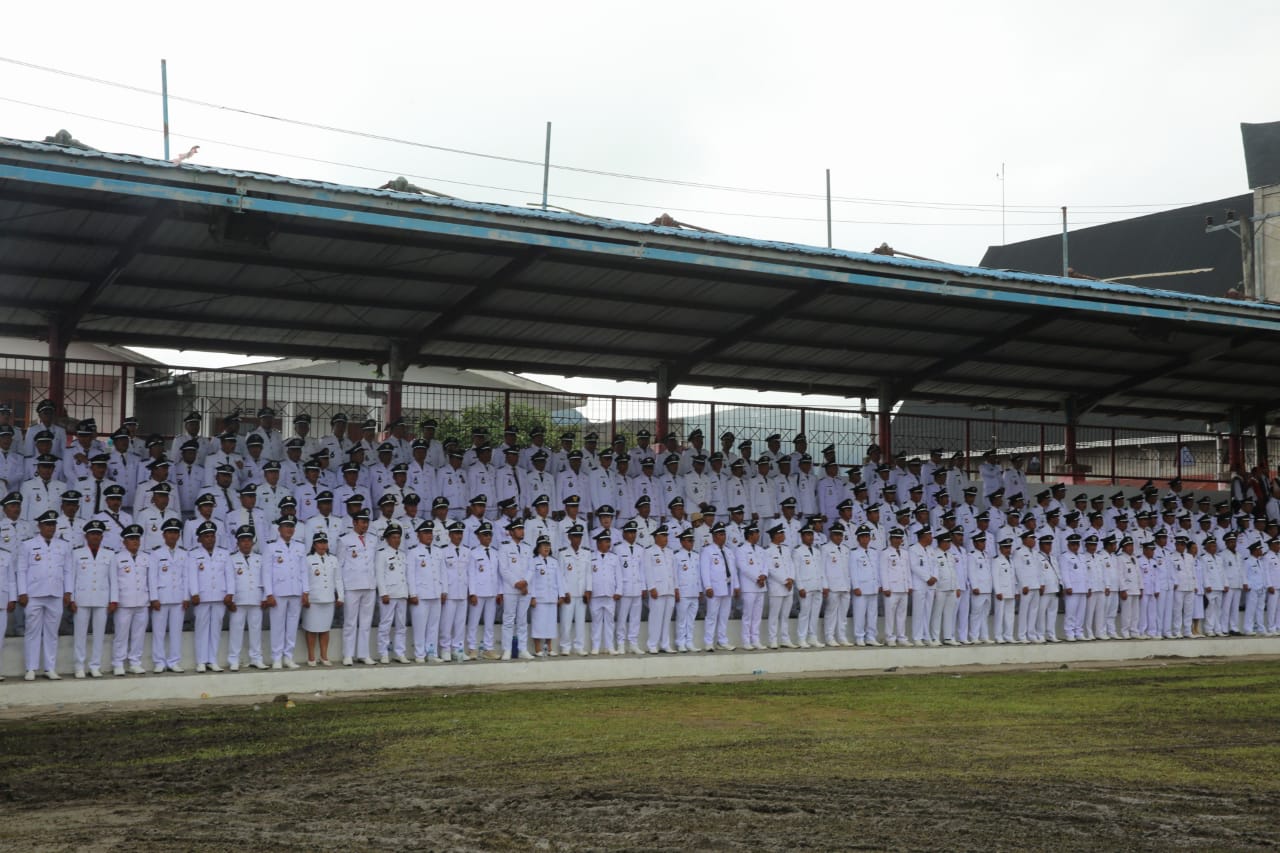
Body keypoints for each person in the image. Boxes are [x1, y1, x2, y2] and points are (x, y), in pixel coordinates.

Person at [68, 519, 117, 679]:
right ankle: (79, 666)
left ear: (102, 537)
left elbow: (113, 579)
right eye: (92, 534)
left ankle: (95, 665)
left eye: (98, 534)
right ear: (86, 536)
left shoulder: (109, 554)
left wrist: (113, 600)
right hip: (81, 598)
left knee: (99, 635)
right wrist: (71, 598)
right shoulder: (77, 553)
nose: (95, 537)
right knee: (80, 634)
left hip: (102, 598)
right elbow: (72, 577)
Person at [188, 521, 234, 673]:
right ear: (199, 539)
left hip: (220, 596)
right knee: (201, 629)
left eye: (212, 536)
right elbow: (192, 575)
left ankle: (212, 660)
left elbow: (229, 575)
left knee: (215, 629)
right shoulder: (194, 554)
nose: (209, 539)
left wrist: (230, 593)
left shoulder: (224, 553)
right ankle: (201, 661)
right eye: (206, 536)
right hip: (202, 596)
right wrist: (194, 593)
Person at [149, 518, 188, 673]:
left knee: (176, 632)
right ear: (164, 535)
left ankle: (174, 661)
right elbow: (152, 577)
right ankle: (159, 661)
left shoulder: (184, 553)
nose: (173, 535)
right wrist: (154, 598)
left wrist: (186, 597)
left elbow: (186, 577)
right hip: (161, 597)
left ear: (179, 535)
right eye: (170, 532)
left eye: (175, 532)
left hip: (178, 597)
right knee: (158, 632)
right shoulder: (156, 553)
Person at [339, 509, 378, 666]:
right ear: (354, 523)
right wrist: (340, 590)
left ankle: (363, 654)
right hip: (352, 585)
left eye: (367, 522)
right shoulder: (345, 540)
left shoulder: (373, 539)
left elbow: (375, 562)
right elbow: (340, 565)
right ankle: (348, 654)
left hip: (369, 584)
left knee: (366, 622)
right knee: (350, 622)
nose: (365, 525)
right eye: (362, 522)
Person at [226, 525, 267, 672]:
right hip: (238, 599)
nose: (246, 543)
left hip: (256, 599)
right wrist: (230, 598)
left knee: (256, 631)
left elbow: (265, 578)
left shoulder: (260, 558)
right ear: (237, 542)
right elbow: (230, 579)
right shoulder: (231, 558)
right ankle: (234, 659)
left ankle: (256, 658)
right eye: (243, 540)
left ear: (253, 542)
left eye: (248, 540)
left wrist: (265, 597)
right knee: (236, 630)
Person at [374, 524, 410, 664]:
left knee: (401, 625)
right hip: (388, 594)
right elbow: (379, 575)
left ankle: (399, 653)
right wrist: (383, 593)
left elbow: (405, 575)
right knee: (385, 624)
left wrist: (407, 593)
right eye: (394, 537)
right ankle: (383, 652)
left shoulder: (402, 554)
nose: (397, 540)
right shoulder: (382, 553)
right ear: (387, 539)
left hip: (402, 593)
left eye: (398, 537)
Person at [404, 523, 440, 663]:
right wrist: (412, 594)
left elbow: (442, 572)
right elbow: (410, 574)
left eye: (430, 533)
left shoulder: (438, 551)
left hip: (436, 593)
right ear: (418, 535)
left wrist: (443, 591)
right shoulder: (413, 552)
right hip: (421, 594)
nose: (429, 535)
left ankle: (431, 653)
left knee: (433, 626)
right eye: (425, 533)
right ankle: (419, 654)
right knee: (420, 627)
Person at [498, 518, 533, 660]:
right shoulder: (504, 547)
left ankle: (522, 649)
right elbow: (503, 569)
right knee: (508, 620)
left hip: (525, 589)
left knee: (522, 620)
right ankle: (506, 649)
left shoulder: (527, 547)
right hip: (511, 589)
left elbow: (531, 568)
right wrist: (516, 583)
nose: (521, 531)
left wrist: (525, 582)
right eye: (518, 529)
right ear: (511, 532)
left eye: (522, 528)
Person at [700, 522, 737, 652]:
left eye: (724, 534)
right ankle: (709, 642)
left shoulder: (728, 551)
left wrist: (736, 586)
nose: (723, 537)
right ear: (714, 536)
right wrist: (707, 587)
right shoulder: (708, 551)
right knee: (711, 616)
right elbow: (704, 570)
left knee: (724, 616)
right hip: (714, 588)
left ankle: (722, 641)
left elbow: (733, 570)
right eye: (720, 534)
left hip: (728, 587)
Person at [557, 524, 592, 656]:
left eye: (579, 536)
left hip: (582, 593)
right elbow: (560, 575)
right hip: (569, 594)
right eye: (575, 536)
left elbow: (589, 573)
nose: (577, 539)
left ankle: (579, 646)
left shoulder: (586, 553)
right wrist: (563, 592)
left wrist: (588, 590)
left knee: (580, 622)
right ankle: (565, 646)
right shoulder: (563, 553)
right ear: (569, 537)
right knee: (566, 622)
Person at [643, 525, 676, 653]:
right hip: (657, 590)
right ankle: (652, 644)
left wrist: (676, 588)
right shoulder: (649, 551)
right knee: (655, 618)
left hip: (669, 589)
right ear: (656, 537)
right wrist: (651, 587)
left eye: (666, 535)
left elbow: (674, 572)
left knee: (666, 619)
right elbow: (647, 570)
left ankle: (665, 644)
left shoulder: (670, 552)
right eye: (663, 535)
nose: (665, 538)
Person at [528, 535, 562, 656]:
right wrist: (532, 597)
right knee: (538, 624)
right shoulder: (533, 561)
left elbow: (559, 580)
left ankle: (549, 647)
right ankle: (538, 649)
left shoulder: (554, 562)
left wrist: (561, 595)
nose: (546, 548)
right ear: (538, 548)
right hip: (539, 598)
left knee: (550, 624)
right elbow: (531, 581)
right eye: (543, 545)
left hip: (552, 597)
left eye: (548, 545)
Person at [589, 529, 620, 655]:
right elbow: (588, 576)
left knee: (610, 622)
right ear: (598, 543)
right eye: (605, 542)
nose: (608, 544)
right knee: (596, 622)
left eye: (609, 541)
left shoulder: (614, 558)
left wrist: (618, 591)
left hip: (610, 594)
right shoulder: (591, 557)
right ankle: (595, 646)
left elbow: (618, 575)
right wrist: (588, 590)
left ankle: (609, 646)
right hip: (595, 594)